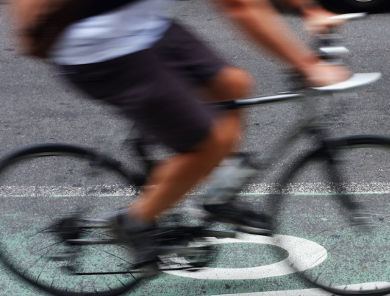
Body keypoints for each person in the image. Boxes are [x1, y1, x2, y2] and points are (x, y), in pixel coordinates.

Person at [34, 0, 350, 267]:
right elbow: (239, 5)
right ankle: (134, 222)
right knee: (208, 145)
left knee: (233, 86)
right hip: (103, 48)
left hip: (145, 26)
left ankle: (216, 195)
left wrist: (307, 8)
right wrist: (307, 64)